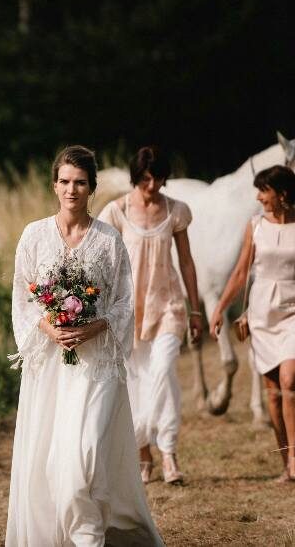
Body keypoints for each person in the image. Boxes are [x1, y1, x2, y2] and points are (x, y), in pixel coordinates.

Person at [6, 145, 163, 546]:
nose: (71, 190)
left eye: (79, 183)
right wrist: (49, 328)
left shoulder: (109, 240)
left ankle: (89, 535)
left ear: (92, 187)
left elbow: (124, 302)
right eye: (64, 181)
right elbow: (23, 297)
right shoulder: (34, 236)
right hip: (51, 368)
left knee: (84, 458)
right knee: (51, 463)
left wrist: (93, 327)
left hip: (98, 365)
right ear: (53, 185)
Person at [210, 165, 295, 482]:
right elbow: (241, 273)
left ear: (282, 194)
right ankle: (286, 463)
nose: (258, 198)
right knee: (272, 392)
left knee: (289, 379)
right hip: (262, 313)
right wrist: (220, 310)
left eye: (263, 191)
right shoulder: (255, 226)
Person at [98, 146, 201, 485]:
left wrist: (195, 309)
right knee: (135, 380)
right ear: (135, 177)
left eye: (157, 178)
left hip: (168, 303)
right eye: (145, 179)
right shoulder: (116, 212)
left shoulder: (176, 211)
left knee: (163, 369)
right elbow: (101, 263)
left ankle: (168, 451)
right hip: (129, 308)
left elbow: (186, 261)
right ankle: (144, 453)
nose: (152, 185)